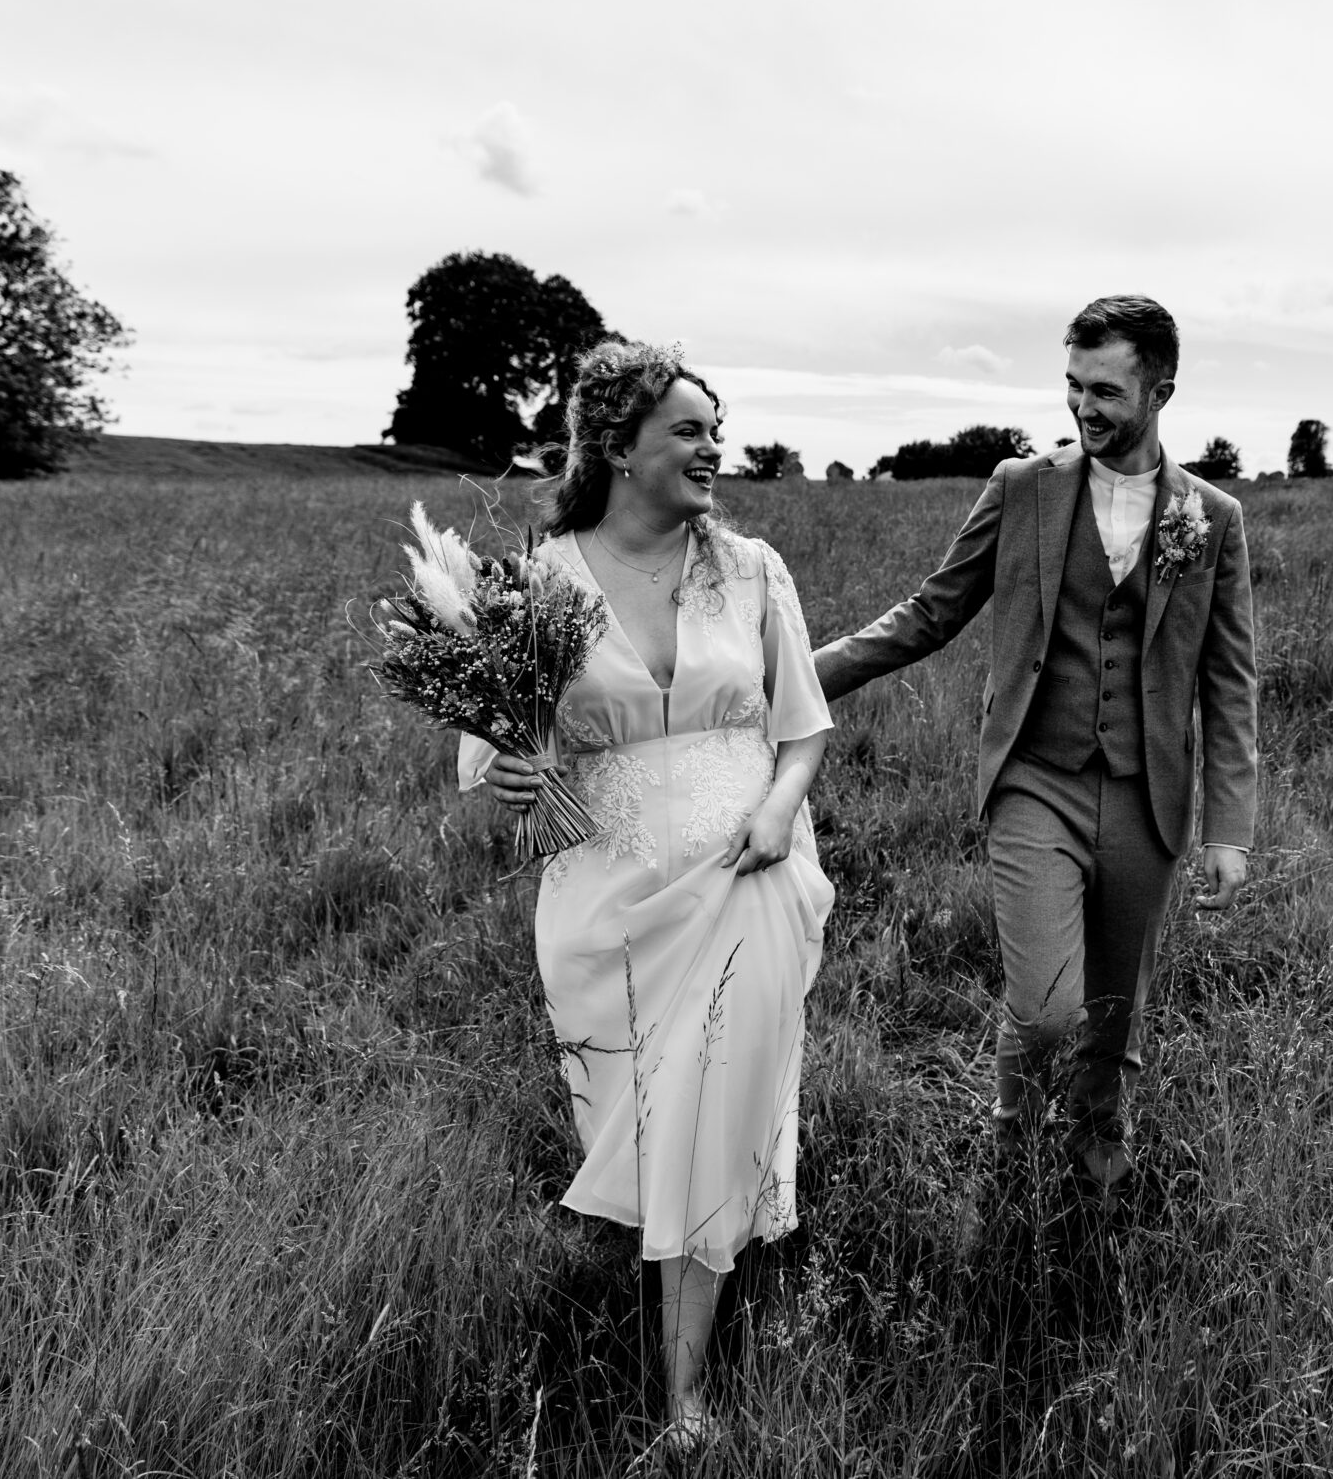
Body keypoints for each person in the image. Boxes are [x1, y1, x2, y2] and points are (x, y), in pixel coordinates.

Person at [467, 339, 832, 1457]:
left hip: (747, 876)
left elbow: (804, 725)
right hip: (612, 895)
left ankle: (682, 1390)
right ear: (619, 447)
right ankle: (662, 1310)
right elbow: (485, 764)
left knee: (715, 1114)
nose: (714, 448)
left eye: (717, 429)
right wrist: (514, 770)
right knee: (645, 1116)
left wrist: (777, 811)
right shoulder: (541, 581)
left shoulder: (752, 567)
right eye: (688, 430)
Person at [814, 294, 1259, 1199]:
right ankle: (1011, 1143)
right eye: (1072, 386)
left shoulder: (1212, 519)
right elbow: (932, 612)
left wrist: (1231, 829)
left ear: (1160, 392)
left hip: (1148, 796)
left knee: (1114, 1012)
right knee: (1050, 1011)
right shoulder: (1023, 489)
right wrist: (797, 677)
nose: (1082, 408)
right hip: (1035, 783)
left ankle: (1097, 1168)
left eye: (1104, 391)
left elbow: (1229, 680)